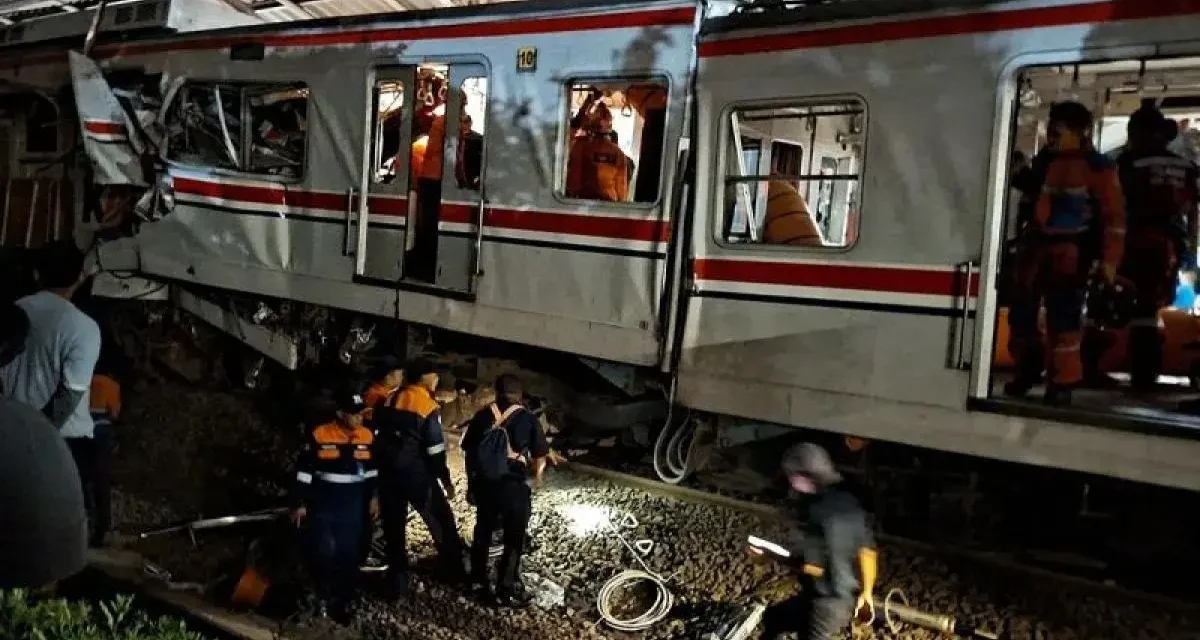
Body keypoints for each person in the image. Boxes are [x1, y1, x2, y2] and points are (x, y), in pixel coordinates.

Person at [1004, 101, 1126, 405]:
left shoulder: (1098, 168)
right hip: (1034, 249)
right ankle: (1027, 370)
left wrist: (1109, 262)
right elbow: (1033, 190)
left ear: (1081, 132)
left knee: (1064, 320)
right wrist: (1016, 169)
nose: (1051, 134)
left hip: (1072, 253)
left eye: (1058, 129)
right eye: (1051, 128)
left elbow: (1114, 219)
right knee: (1021, 316)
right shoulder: (1046, 160)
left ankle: (1062, 383)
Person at [1111, 105, 1199, 389]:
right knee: (1150, 308)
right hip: (1171, 245)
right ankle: (1146, 370)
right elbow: (1194, 211)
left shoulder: (1129, 162)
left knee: (1132, 306)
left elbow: (1112, 205)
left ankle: (1141, 371)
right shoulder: (1186, 166)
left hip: (1133, 240)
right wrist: (1191, 250)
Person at [752, 443, 877, 640]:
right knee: (773, 617)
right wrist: (867, 593)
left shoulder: (814, 513)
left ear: (804, 477)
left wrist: (769, 555)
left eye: (792, 477)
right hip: (845, 600)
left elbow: (812, 568)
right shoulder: (848, 503)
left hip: (823, 606)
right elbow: (868, 552)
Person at [373, 358, 467, 599]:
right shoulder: (426, 404)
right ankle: (452, 571)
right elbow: (435, 450)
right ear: (425, 377)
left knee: (394, 529)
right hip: (417, 476)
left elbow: (380, 436)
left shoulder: (391, 398)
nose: (436, 380)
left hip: (389, 475)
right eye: (434, 376)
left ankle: (397, 584)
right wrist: (445, 480)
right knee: (440, 519)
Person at [462, 375, 551, 607]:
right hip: (513, 488)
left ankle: (478, 582)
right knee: (513, 540)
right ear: (520, 395)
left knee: (483, 534)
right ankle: (505, 589)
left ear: (497, 391)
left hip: (485, 485)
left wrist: (471, 486)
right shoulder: (528, 419)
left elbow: (470, 454)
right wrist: (536, 477)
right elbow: (540, 455)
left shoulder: (482, 416)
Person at [291, 389, 378, 624]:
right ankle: (319, 600)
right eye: (354, 415)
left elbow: (371, 472)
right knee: (323, 553)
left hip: (353, 509)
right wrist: (300, 503)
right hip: (325, 507)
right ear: (340, 414)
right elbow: (304, 473)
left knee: (349, 557)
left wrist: (373, 497)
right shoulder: (320, 435)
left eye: (361, 414)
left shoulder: (366, 436)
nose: (359, 418)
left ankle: (341, 604)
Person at [565, 103, 631, 202]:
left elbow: (573, 181)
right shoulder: (618, 153)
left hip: (579, 202)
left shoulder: (579, 146)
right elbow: (621, 189)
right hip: (608, 205)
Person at [87, 361, 121, 548]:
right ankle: (102, 529)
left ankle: (86, 523)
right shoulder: (112, 385)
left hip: (82, 433)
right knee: (102, 483)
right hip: (103, 434)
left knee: (85, 480)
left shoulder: (87, 380)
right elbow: (114, 414)